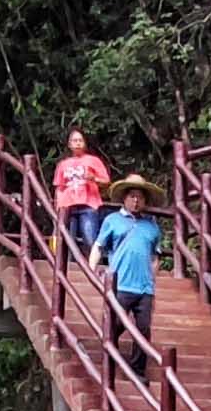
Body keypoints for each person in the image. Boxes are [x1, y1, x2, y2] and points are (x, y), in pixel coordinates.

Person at [95, 175, 167, 368]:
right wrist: (91, 269)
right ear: (125, 198)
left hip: (144, 287)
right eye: (132, 196)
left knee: (143, 330)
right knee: (115, 324)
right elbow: (98, 246)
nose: (136, 201)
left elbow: (154, 257)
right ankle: (109, 360)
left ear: (145, 200)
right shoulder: (112, 220)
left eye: (140, 197)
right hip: (120, 283)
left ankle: (138, 370)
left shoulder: (152, 226)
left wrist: (152, 281)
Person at [53, 130, 112, 259]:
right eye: (75, 140)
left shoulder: (93, 160)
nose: (78, 143)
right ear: (69, 144)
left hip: (88, 204)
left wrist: (94, 178)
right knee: (65, 240)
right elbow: (59, 186)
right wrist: (57, 205)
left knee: (90, 239)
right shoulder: (63, 164)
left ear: (85, 143)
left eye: (80, 140)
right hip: (67, 206)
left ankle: (93, 270)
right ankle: (64, 270)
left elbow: (107, 181)